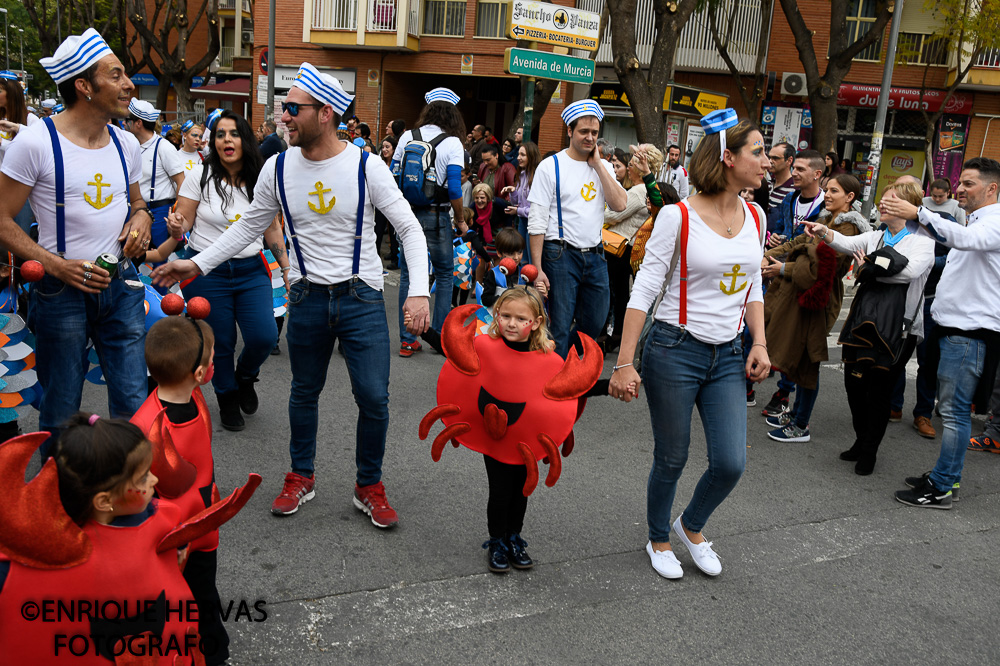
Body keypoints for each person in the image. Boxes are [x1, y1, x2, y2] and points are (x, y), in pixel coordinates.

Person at [152, 62, 431, 526]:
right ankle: (301, 476)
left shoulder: (366, 164)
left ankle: (369, 485)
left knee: (374, 398)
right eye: (284, 108)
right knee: (303, 392)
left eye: (292, 108)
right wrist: (195, 262)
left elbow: (409, 229)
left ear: (325, 113)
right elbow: (248, 228)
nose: (284, 116)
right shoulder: (278, 168)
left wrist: (417, 292)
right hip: (305, 298)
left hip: (360, 297)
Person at [610, 109, 771, 579]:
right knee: (673, 456)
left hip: (728, 354)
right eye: (757, 152)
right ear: (727, 158)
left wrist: (759, 341)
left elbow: (753, 286)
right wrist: (624, 361)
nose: (766, 161)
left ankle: (691, 525)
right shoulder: (678, 216)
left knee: (731, 463)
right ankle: (658, 537)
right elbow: (643, 289)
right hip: (674, 349)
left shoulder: (756, 215)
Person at [0, 29, 151, 458]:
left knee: (132, 398)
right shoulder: (35, 142)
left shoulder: (125, 142)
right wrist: (54, 264)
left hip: (120, 285)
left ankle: (129, 490)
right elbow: (1, 218)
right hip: (60, 289)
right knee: (61, 405)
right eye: (117, 75)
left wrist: (140, 219)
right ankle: (56, 496)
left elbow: (138, 203)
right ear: (84, 87)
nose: (129, 85)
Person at [0, 416, 205, 664]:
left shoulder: (155, 515)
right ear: (104, 501)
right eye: (143, 478)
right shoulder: (51, 555)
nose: (155, 480)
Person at [152, 111, 289, 432]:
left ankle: (245, 377)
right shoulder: (200, 175)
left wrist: (286, 267)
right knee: (221, 341)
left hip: (251, 269)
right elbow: (183, 220)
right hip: (205, 272)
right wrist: (176, 226)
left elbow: (271, 229)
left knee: (264, 336)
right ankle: (227, 396)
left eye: (234, 133)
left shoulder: (261, 179)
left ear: (245, 140)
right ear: (213, 142)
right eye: (221, 134)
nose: (227, 139)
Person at [880, 157, 1000, 508]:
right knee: (952, 411)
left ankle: (943, 486)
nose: (961, 188)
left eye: (969, 183)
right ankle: (944, 476)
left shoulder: (992, 223)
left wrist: (918, 214)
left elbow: (961, 239)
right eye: (960, 182)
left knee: (954, 413)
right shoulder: (978, 221)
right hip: (955, 330)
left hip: (969, 335)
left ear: (992, 188)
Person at [804, 180, 934, 475]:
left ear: (907, 206)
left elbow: (910, 273)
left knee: (879, 391)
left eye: (889, 201)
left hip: (901, 329)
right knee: (854, 385)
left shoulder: (922, 239)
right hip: (865, 322)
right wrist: (824, 231)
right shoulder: (877, 236)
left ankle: (869, 450)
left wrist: (867, 268)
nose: (882, 206)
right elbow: (847, 244)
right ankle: (861, 440)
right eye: (882, 200)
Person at [130, 315, 230, 665]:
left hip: (204, 518)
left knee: (203, 591)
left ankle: (211, 646)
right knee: (173, 597)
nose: (214, 362)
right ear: (200, 374)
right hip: (173, 534)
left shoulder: (193, 394)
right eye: (212, 359)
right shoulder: (146, 426)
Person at [760, 174, 868, 443]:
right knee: (799, 357)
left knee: (809, 361)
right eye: (827, 189)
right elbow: (800, 243)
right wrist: (769, 255)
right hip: (804, 297)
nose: (827, 194)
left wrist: (783, 267)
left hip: (821, 301)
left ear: (850, 197)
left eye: (834, 191)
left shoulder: (848, 229)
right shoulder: (825, 219)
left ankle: (801, 425)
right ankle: (796, 413)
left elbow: (819, 268)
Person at [527, 100, 628, 357]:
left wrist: (597, 166)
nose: (590, 137)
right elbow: (537, 221)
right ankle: (553, 384)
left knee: (593, 323)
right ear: (570, 131)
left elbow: (619, 204)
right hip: (559, 254)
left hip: (595, 255)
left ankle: (554, 359)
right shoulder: (550, 166)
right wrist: (537, 269)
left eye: (594, 132)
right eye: (584, 131)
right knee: (559, 324)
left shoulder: (603, 166)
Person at [391, 87, 466, 358]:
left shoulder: (407, 137)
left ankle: (407, 339)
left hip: (407, 216)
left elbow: (393, 177)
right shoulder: (453, 143)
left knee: (409, 276)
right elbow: (456, 190)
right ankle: (440, 338)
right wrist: (460, 220)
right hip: (437, 218)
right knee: (445, 274)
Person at [759, 149, 826, 417]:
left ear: (817, 174)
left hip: (804, 280)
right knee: (764, 325)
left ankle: (785, 392)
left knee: (796, 340)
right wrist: (777, 241)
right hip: (780, 275)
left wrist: (785, 262)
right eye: (794, 168)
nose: (794, 174)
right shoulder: (789, 199)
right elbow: (790, 235)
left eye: (799, 169)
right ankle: (758, 380)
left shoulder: (825, 207)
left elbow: (815, 251)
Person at [888, 174, 950, 437]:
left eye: (904, 192)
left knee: (928, 361)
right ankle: (894, 405)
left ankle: (923, 414)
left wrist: (926, 263)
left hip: (931, 299)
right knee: (895, 357)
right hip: (899, 301)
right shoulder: (890, 223)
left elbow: (954, 255)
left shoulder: (941, 223)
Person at [603, 144, 664, 353]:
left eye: (631, 164)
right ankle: (617, 333)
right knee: (619, 293)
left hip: (621, 248)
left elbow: (614, 213)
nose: (628, 167)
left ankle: (616, 334)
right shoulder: (638, 189)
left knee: (617, 293)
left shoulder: (639, 191)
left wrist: (596, 211)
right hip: (623, 248)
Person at [125, 99, 185, 251]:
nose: (124, 125)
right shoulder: (129, 146)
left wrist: (177, 214)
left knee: (159, 257)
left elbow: (181, 182)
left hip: (160, 211)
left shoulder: (163, 147)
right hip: (135, 210)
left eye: (127, 121)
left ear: (138, 123)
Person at [0, 71, 40, 234]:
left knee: (20, 233)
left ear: (12, 93)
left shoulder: (31, 121)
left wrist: (2, 143)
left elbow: (33, 153)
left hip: (22, 190)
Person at [501, 140, 540, 265]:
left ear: (531, 156)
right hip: (522, 221)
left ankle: (530, 284)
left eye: (522, 155)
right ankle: (521, 284)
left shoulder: (538, 177)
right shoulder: (522, 174)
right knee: (521, 259)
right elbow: (516, 202)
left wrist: (517, 210)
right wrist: (513, 191)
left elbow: (536, 209)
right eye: (518, 154)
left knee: (531, 260)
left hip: (534, 223)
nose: (518, 158)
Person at [480, 227, 526, 308]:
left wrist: (540, 291)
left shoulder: (524, 273)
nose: (516, 257)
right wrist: (503, 298)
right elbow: (485, 299)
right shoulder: (493, 274)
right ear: (499, 253)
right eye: (511, 253)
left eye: (519, 252)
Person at [375, 134, 399, 267]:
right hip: (380, 201)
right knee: (378, 230)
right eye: (383, 147)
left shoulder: (398, 165)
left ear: (394, 149)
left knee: (393, 231)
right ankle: (376, 257)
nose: (384, 150)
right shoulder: (378, 163)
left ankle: (395, 258)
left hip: (393, 202)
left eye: (387, 147)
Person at [766, 141, 795, 234]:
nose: (770, 161)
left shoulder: (795, 190)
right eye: (769, 157)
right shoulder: (767, 184)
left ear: (789, 161)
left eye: (775, 158)